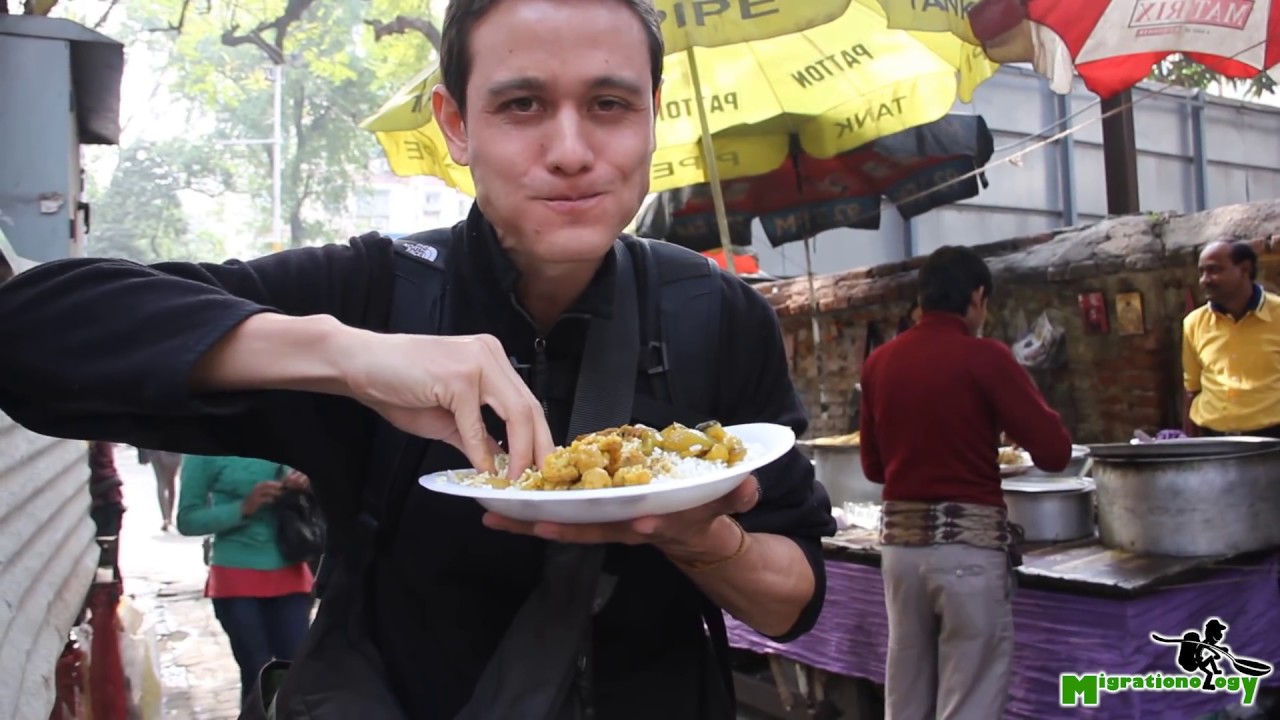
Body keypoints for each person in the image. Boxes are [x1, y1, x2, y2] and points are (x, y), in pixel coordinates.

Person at [0, 1, 834, 718]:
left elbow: (796, 601)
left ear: (654, 114)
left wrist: (698, 539)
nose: (572, 149)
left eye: (610, 103)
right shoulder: (372, 292)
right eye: (522, 105)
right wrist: (345, 356)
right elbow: (31, 333)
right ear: (456, 125)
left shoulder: (717, 314)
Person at [858, 246, 1071, 720]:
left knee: (907, 689)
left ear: (923, 298)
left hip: (900, 554)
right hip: (967, 554)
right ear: (977, 297)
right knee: (970, 694)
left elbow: (875, 469)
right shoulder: (986, 358)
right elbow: (1055, 453)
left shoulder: (880, 363)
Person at [176, 455, 315, 707]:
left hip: (291, 570)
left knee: (296, 673)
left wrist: (306, 484)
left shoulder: (281, 433)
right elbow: (187, 520)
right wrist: (243, 508)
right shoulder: (202, 450)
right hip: (236, 577)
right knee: (257, 673)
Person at [1182, 240, 1280, 438]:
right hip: (1213, 438)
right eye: (1201, 272)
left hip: (1272, 440)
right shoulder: (1194, 323)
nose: (1204, 280)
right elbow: (1192, 387)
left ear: (1245, 269)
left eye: (1214, 270)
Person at [138, 447, 182, 531]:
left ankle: (166, 518)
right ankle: (170, 517)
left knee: (161, 483)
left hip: (155, 451)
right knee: (171, 483)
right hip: (173, 452)